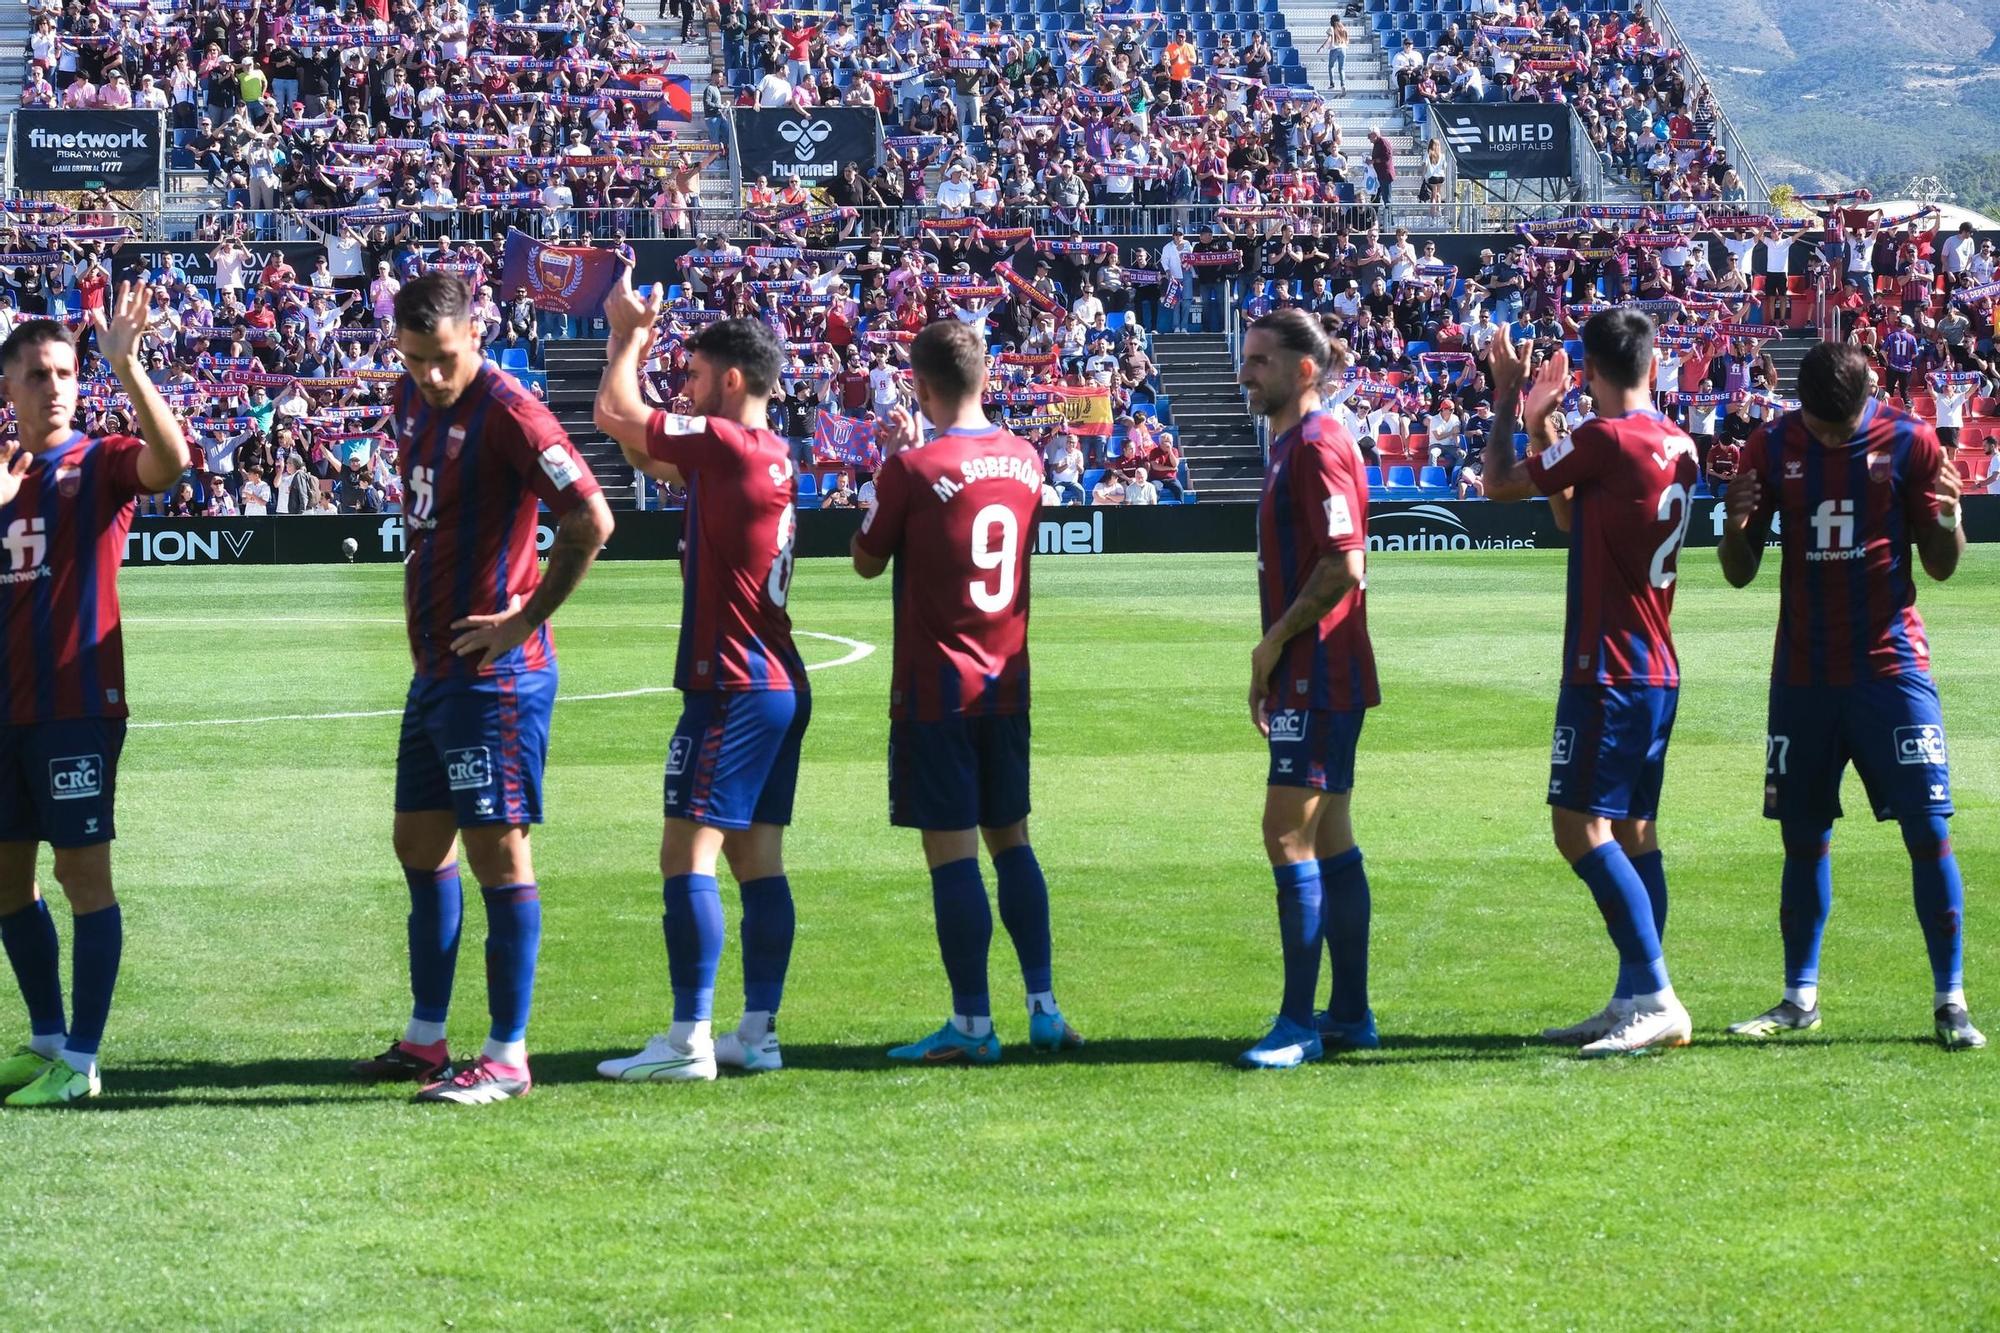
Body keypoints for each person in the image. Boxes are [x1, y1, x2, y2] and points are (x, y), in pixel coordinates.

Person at [351, 273, 614, 1105]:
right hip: (436, 670)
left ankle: (507, 1055)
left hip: (495, 676)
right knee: (418, 846)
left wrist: (523, 618)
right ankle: (428, 1039)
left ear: (477, 334)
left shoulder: (509, 410)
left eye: (446, 358)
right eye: (416, 357)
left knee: (499, 854)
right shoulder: (407, 396)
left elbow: (591, 518)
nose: (431, 374)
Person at [1716, 342, 1983, 1050]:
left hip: (1891, 670)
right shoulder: (1769, 446)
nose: (1833, 437)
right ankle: (1799, 996)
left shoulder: (1910, 440)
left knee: (1929, 829)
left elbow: (1941, 565)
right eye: (1823, 428)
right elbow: (1739, 574)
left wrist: (1952, 520)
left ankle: (1950, 1000)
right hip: (1802, 675)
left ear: (1869, 392)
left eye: (1844, 426)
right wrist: (1732, 526)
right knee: (1803, 839)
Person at [591, 277, 811, 1082]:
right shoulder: (769, 453)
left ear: (732, 381)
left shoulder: (728, 445)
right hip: (778, 679)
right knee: (760, 863)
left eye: (691, 374)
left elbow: (616, 414)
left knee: (685, 855)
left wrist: (626, 336)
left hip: (735, 681)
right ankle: (756, 1033)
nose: (681, 387)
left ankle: (689, 1038)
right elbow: (645, 448)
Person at [849, 320, 1083, 1064]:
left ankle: (973, 1025)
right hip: (1007, 680)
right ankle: (1044, 1007)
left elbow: (865, 559)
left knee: (950, 855)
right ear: (985, 377)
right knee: (1011, 839)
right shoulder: (1026, 458)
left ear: (917, 384)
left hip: (936, 687)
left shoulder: (910, 469)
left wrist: (893, 455)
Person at [1479, 312, 1697, 1058]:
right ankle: (1635, 995)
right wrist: (1548, 429)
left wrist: (1509, 393)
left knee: (1577, 826)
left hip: (1609, 664)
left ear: (1590, 369)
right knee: (1635, 830)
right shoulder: (1674, 440)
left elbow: (1497, 483)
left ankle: (1657, 992)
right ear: (1653, 358)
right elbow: (1575, 518)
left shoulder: (1607, 438)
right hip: (1656, 664)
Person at [0, 288, 190, 1107]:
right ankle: (45, 1040)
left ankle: (82, 1060)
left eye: (67, 372)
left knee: (83, 875)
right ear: (7, 387)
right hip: (3, 714)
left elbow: (172, 463)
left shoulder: (102, 460)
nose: (56, 387)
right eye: (39, 374)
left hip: (76, 704)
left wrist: (129, 366)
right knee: (8, 883)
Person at [1232, 309, 1379, 1070]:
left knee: (1286, 833)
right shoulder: (1297, 443)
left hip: (1318, 668)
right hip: (1319, 668)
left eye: (1259, 361)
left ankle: (1298, 1021)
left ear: (1304, 370)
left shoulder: (1318, 445)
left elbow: (1343, 563)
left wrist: (1272, 644)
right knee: (1331, 836)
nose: (1245, 372)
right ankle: (1349, 1011)